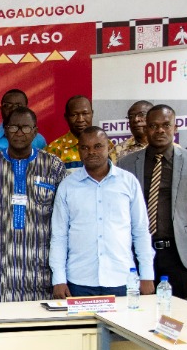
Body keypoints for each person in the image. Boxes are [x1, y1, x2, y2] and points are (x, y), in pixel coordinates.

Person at [118, 104, 187, 298]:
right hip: (136, 253)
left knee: (176, 318)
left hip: (178, 255)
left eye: (166, 125)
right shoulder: (127, 164)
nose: (160, 131)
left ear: (175, 128)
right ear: (146, 129)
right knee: (135, 316)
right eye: (154, 126)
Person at [50, 127, 154, 298]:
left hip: (122, 279)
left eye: (98, 146)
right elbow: (59, 236)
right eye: (85, 147)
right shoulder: (67, 186)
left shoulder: (128, 182)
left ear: (109, 148)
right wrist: (59, 279)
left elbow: (141, 231)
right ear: (79, 150)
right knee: (82, 327)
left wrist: (147, 274)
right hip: (78, 281)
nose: (91, 152)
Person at [0, 106, 67, 302]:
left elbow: (64, 222)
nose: (19, 133)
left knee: (40, 329)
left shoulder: (53, 166)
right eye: (13, 127)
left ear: (35, 132)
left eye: (26, 128)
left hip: (42, 271)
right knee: (3, 329)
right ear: (5, 130)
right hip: (1, 272)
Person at [44, 96, 118, 170]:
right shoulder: (54, 149)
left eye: (85, 113)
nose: (80, 119)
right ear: (66, 117)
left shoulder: (107, 144)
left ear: (92, 114)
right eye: (74, 115)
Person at [0, 89, 47, 157]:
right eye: (7, 105)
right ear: (1, 109)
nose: (13, 109)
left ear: (26, 109)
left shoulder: (39, 139)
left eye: (18, 105)